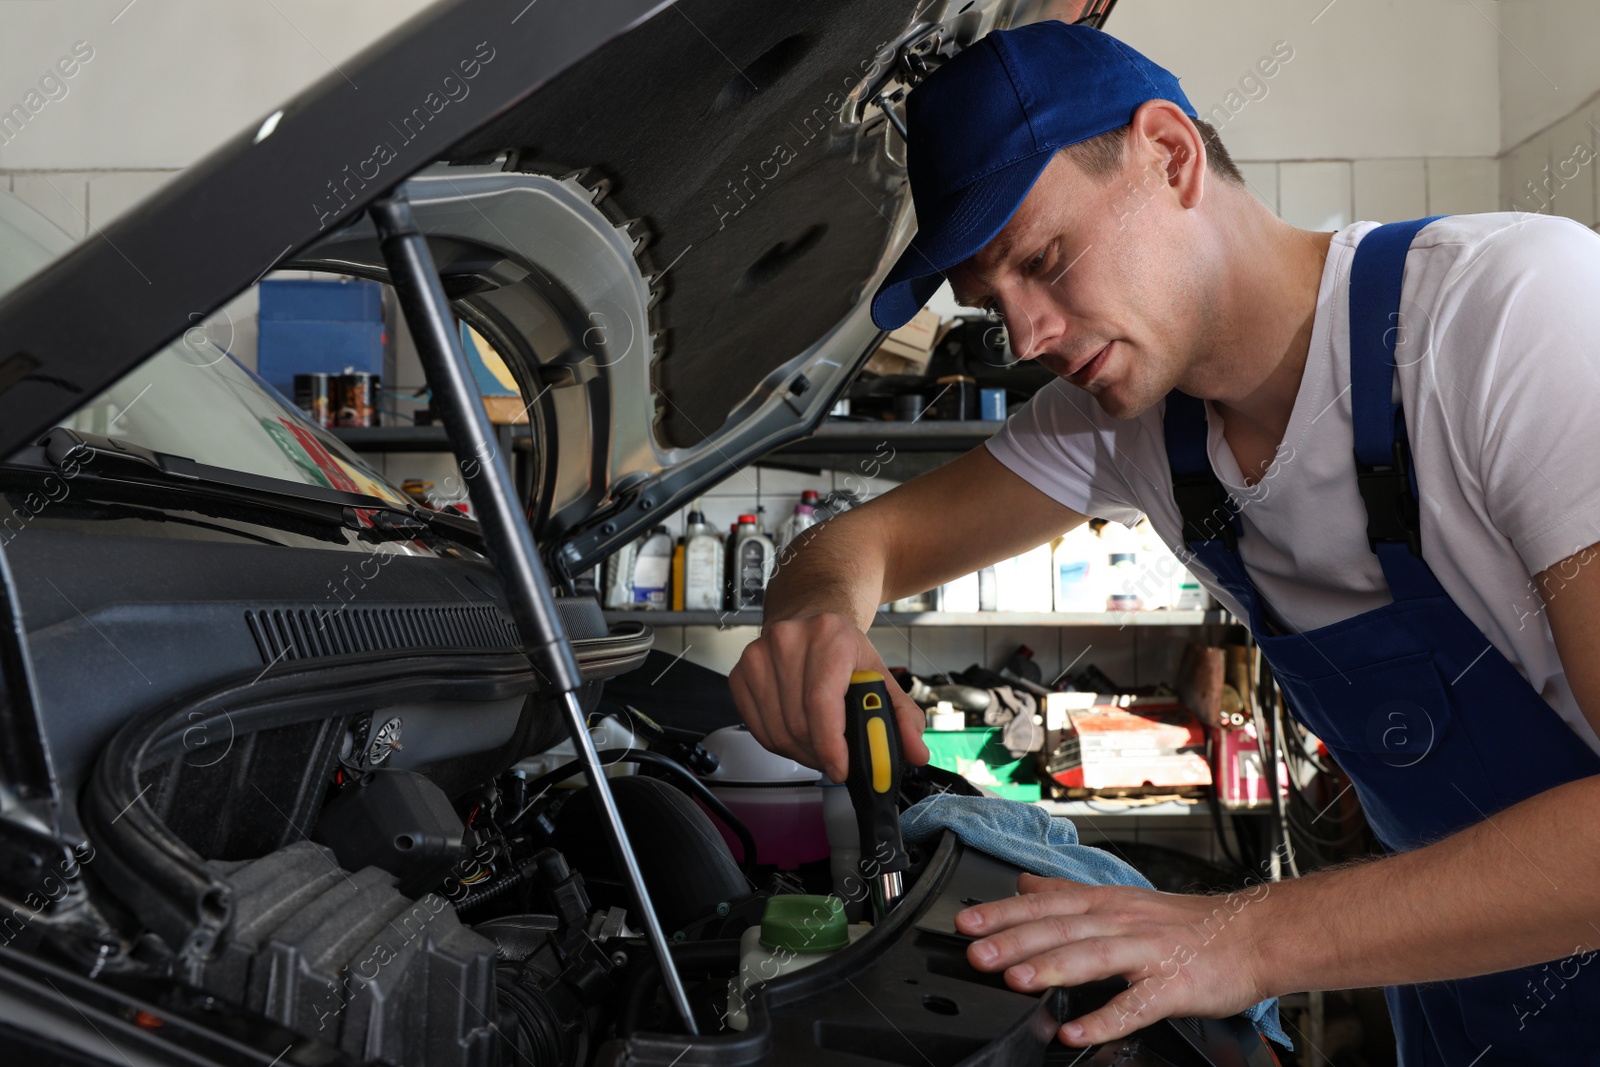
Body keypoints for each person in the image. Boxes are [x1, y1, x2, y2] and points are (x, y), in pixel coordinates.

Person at [727, 19, 1600, 1065]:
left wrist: (1248, 935)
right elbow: (856, 544)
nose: (1026, 339)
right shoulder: (1133, 425)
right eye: (990, 304)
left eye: (1043, 259)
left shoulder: (1513, 316)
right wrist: (812, 617)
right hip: (1454, 975)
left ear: (1170, 154)